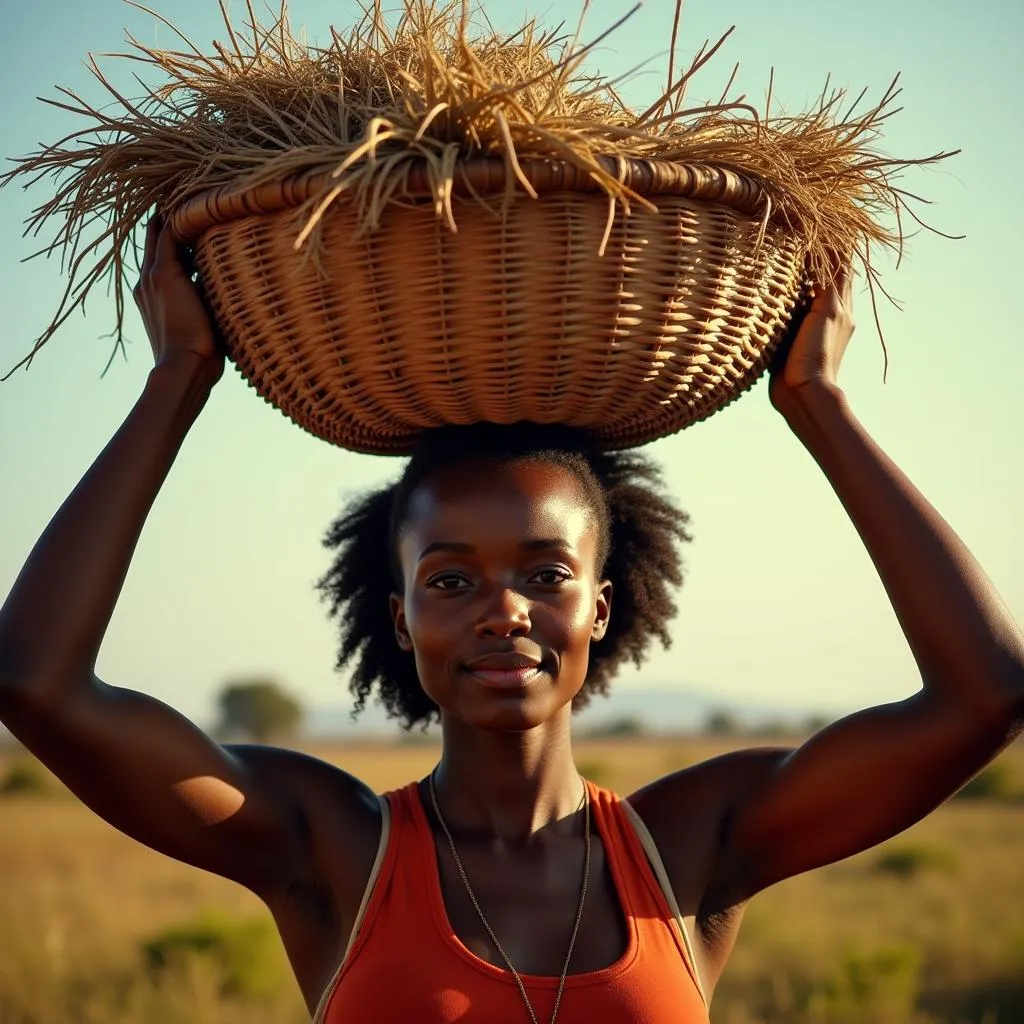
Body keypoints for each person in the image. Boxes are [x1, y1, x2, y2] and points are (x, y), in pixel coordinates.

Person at [0, 215, 1021, 1024]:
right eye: (450, 581)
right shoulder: (330, 846)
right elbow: (36, 683)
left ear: (600, 605)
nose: (503, 611)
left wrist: (817, 405)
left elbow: (987, 695)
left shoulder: (690, 844)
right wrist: (177, 379)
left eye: (544, 572)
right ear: (398, 620)